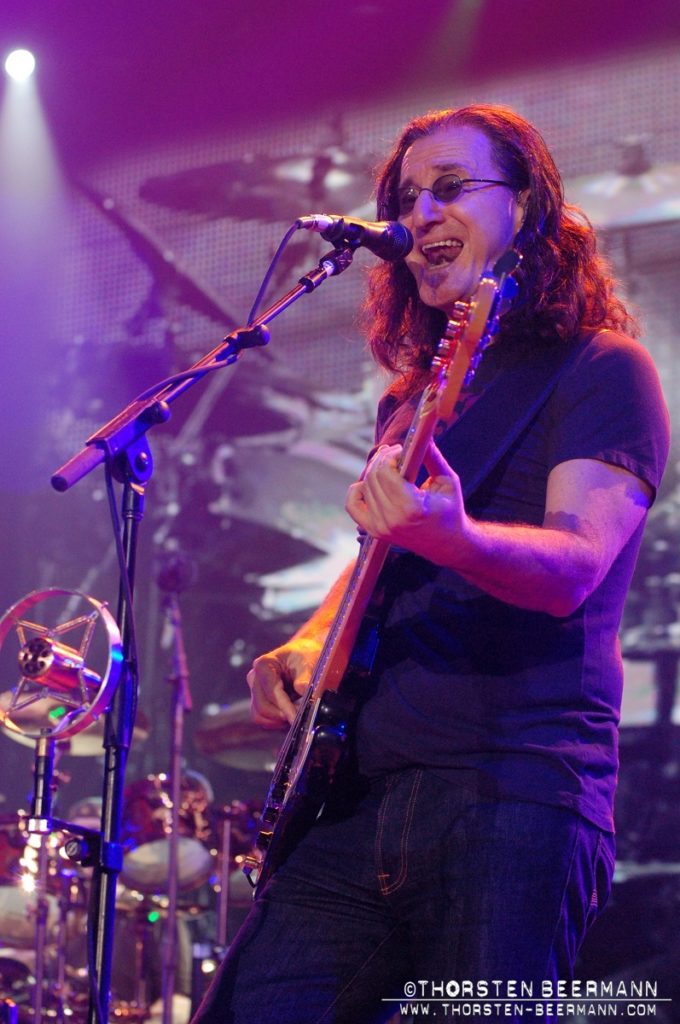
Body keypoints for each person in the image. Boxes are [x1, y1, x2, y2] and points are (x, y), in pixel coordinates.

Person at [192, 105, 670, 1023]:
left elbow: (576, 566)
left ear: (525, 205)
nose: (419, 215)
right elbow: (378, 556)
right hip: (359, 798)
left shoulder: (602, 368)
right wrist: (307, 646)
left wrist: (453, 534)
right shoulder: (409, 404)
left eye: (451, 188)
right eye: (407, 199)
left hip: (513, 791)